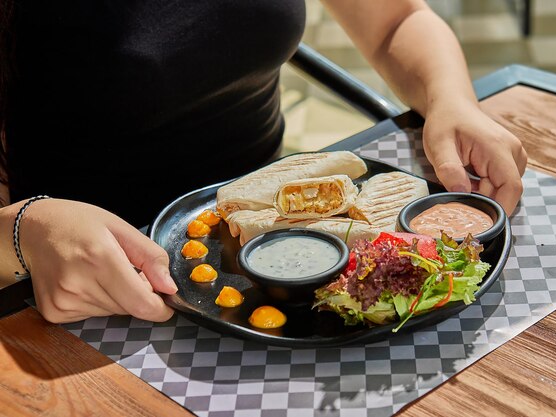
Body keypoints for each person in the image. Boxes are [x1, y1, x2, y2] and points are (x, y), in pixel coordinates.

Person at [0, 0, 527, 323]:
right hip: (83, 290)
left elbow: (397, 18)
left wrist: (451, 101)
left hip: (273, 260)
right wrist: (22, 229)